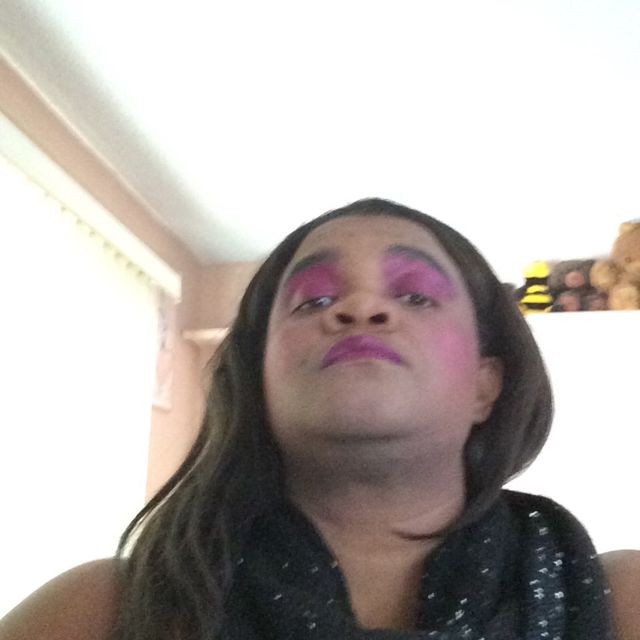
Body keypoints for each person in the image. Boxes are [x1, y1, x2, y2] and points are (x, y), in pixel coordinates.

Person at [1, 198, 638, 640]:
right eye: (315, 300)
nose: (360, 309)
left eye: (415, 295)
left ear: (485, 384)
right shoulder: (97, 612)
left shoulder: (622, 602)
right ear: (259, 381)